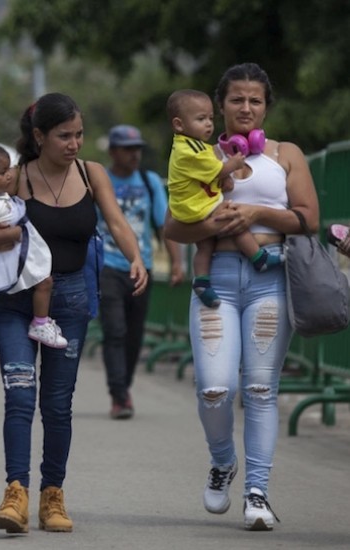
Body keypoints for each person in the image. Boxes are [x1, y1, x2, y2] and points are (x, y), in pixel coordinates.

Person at [0, 93, 147, 534]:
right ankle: (15, 492)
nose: (74, 143)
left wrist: (136, 257)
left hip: (71, 299)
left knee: (56, 405)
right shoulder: (17, 179)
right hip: (17, 302)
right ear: (39, 137)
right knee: (20, 395)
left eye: (79, 134)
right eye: (64, 136)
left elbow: (115, 221)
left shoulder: (91, 174)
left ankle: (52, 495)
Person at [164, 62, 319, 531]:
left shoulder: (285, 153)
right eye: (236, 100)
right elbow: (172, 224)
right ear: (220, 106)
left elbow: (309, 219)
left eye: (255, 100)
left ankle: (257, 492)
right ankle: (222, 461)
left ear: (266, 105)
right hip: (218, 283)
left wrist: (252, 212)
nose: (246, 107)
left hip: (271, 280)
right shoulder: (197, 152)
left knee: (258, 389)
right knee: (214, 389)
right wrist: (216, 224)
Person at [98, 125, 184, 419]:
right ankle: (119, 395)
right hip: (107, 265)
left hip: (141, 267)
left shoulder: (149, 182)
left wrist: (177, 262)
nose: (134, 154)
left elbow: (164, 225)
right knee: (115, 330)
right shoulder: (101, 181)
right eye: (127, 148)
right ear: (112, 152)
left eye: (137, 149)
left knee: (134, 334)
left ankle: (124, 387)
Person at [167, 89, 283, 308]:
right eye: (201, 119)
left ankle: (201, 281)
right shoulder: (191, 149)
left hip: (191, 204)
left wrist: (222, 180)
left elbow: (203, 176)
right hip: (194, 207)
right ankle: (259, 258)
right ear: (179, 125)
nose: (208, 125)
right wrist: (234, 164)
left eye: (210, 118)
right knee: (232, 216)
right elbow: (217, 169)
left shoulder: (191, 146)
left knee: (205, 246)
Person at [0, 138, 66, 349]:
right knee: (44, 282)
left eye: (9, 168)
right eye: (2, 171)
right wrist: (15, 233)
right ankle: (40, 323)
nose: (9, 174)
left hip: (11, 255)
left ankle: (40, 322)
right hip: (7, 258)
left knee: (44, 282)